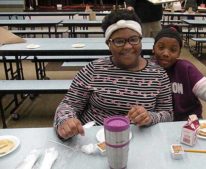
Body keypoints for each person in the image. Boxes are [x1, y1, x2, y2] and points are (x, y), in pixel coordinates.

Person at [54, 10, 173, 140]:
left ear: (140, 40)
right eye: (119, 41)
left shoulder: (158, 74)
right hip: (95, 140)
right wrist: (66, 121)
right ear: (108, 44)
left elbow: (168, 113)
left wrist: (151, 117)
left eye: (133, 39)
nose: (127, 46)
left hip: (141, 139)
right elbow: (69, 104)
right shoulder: (93, 69)